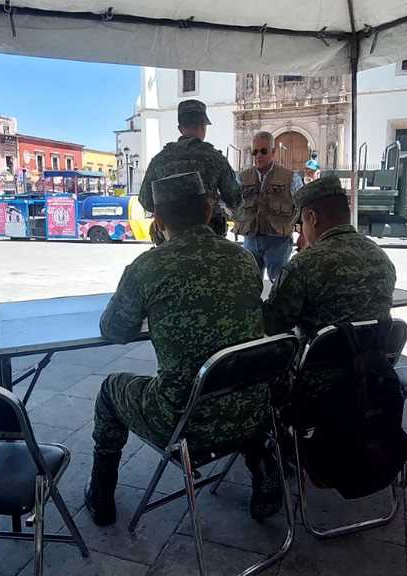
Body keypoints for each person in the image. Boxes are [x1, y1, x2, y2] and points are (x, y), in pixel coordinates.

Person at [86, 171, 282, 526]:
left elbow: (113, 329)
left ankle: (101, 495)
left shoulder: (148, 266)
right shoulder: (243, 260)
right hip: (253, 410)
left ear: (158, 221)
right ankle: (264, 466)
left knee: (110, 391)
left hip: (183, 419)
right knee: (237, 374)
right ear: (208, 211)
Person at [263, 175, 398, 393]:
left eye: (301, 224)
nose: (302, 232)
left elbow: (273, 325)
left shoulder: (304, 265)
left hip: (316, 388)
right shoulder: (380, 257)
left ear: (312, 217)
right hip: (373, 379)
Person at [137, 99, 241, 241]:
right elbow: (235, 199)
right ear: (203, 126)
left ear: (180, 128)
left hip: (170, 242)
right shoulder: (215, 158)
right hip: (208, 240)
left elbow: (145, 200)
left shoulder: (159, 160)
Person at [234, 131, 303, 283]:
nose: (258, 155)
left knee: (280, 285)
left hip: (278, 242)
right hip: (250, 240)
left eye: (263, 151)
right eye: (255, 151)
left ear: (273, 152)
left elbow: (302, 206)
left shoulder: (291, 178)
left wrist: (303, 234)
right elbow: (231, 203)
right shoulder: (241, 178)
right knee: (249, 283)